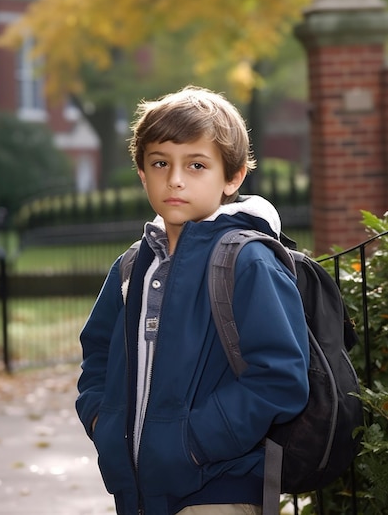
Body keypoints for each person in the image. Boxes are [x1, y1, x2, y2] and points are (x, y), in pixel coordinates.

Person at [76, 86, 310, 515]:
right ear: (143, 174)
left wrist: (191, 443)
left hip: (221, 486)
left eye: (197, 165)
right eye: (160, 163)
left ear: (233, 176)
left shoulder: (249, 261)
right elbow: (96, 356)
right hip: (139, 492)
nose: (175, 179)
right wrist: (103, 424)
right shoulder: (132, 266)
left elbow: (279, 378)